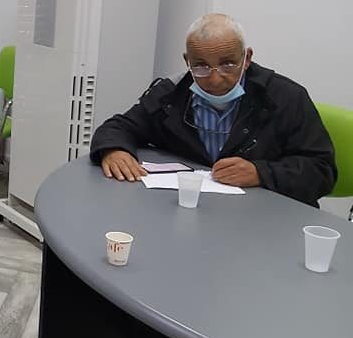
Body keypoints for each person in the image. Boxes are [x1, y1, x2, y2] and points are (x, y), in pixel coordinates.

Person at [90, 13, 336, 206]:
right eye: (201, 66)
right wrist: (114, 150)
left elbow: (322, 171)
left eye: (228, 64)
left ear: (247, 58)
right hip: (191, 210)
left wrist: (261, 173)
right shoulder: (170, 94)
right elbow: (119, 127)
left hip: (264, 221)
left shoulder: (286, 97)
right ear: (187, 62)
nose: (215, 79)